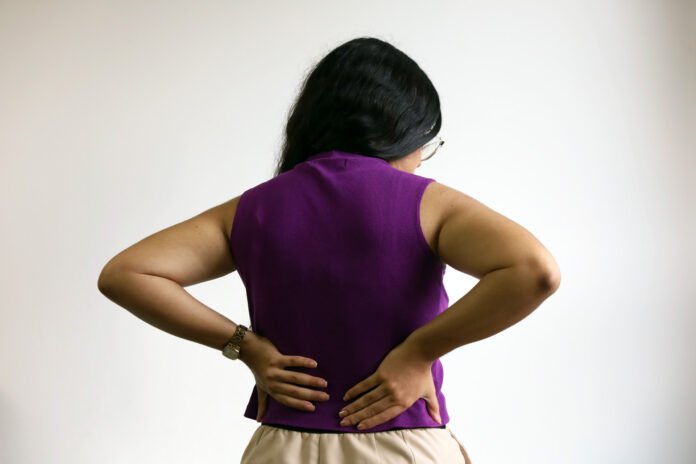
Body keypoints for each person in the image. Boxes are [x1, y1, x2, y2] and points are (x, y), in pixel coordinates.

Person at [98, 36, 561, 463]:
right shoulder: (428, 203)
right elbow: (534, 270)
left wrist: (245, 346)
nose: (421, 158)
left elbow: (127, 274)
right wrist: (420, 351)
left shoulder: (252, 209)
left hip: (281, 448)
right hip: (402, 446)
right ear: (403, 130)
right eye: (426, 142)